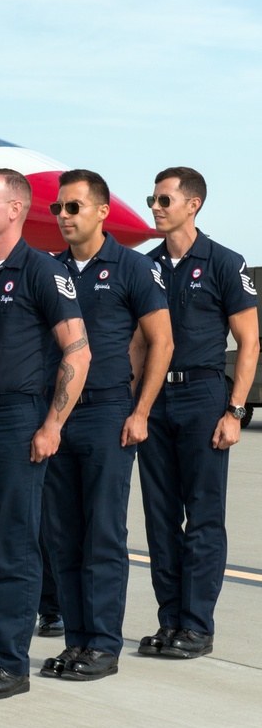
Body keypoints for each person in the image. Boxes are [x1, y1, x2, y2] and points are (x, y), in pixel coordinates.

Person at [0, 168, 90, 700]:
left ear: (15, 210)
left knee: (10, 546)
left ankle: (10, 663)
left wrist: (53, 424)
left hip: (15, 420)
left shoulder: (41, 272)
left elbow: (78, 350)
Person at [40, 170, 172, 681]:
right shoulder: (47, 269)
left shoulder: (133, 268)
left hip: (105, 413)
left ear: (101, 211)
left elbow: (161, 342)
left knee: (101, 534)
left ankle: (102, 645)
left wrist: (140, 411)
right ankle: (76, 641)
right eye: (58, 208)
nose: (64, 217)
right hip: (55, 416)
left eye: (74, 207)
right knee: (63, 535)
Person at [136, 166, 259, 659]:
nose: (156, 207)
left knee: (203, 517)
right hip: (155, 401)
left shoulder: (226, 263)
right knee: (160, 516)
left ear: (194, 204)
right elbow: (136, 345)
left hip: (204, 397)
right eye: (153, 199)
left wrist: (235, 410)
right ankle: (170, 622)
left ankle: (197, 626)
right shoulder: (144, 266)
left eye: (165, 199)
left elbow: (249, 343)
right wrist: (135, 405)